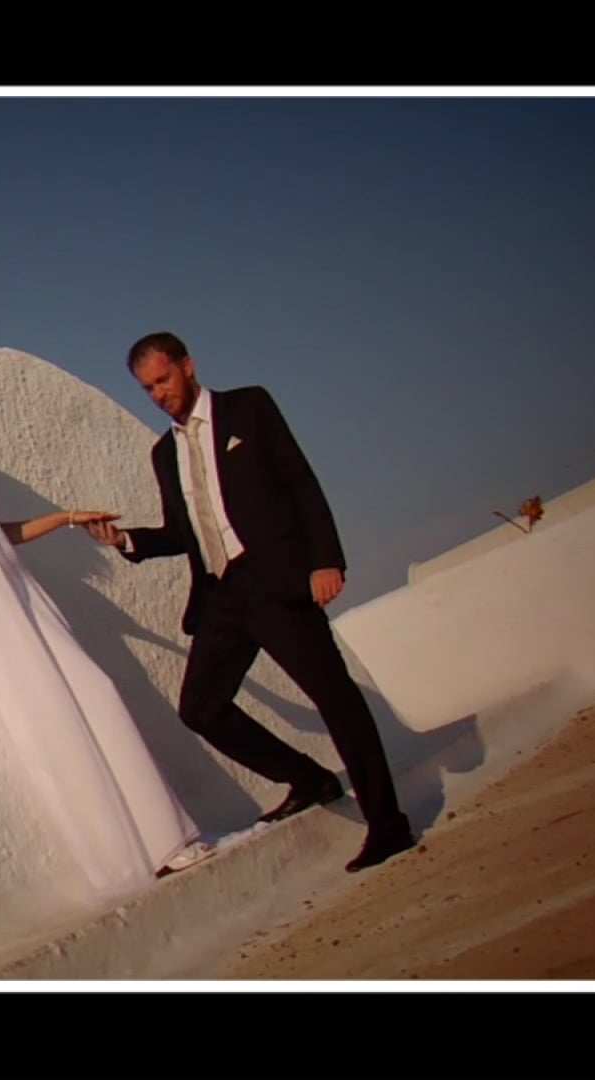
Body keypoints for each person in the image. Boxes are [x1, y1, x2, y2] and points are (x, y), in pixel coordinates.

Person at [0, 369, 216, 903]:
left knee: (93, 692)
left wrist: (64, 518)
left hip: (18, 590)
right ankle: (135, 851)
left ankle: (166, 836)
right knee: (58, 713)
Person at [82, 332, 417, 873]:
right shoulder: (164, 453)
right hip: (220, 598)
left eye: (163, 380)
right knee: (200, 709)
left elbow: (300, 484)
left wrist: (326, 561)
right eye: (147, 389)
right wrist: (125, 541)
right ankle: (309, 779)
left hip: (277, 584)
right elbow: (181, 532)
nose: (157, 395)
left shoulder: (249, 407)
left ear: (188, 367)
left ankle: (388, 825)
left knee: (336, 699)